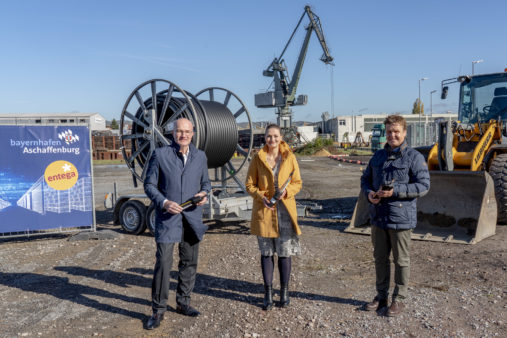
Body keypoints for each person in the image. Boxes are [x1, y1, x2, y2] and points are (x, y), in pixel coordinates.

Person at [143, 118, 211, 330]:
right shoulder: (160, 155)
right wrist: (163, 202)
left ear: (193, 133)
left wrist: (205, 193)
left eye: (187, 132)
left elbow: (206, 183)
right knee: (163, 263)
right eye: (179, 131)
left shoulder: (200, 156)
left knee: (189, 262)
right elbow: (149, 185)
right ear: (173, 133)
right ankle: (158, 310)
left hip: (191, 217)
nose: (183, 135)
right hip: (168, 218)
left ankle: (183, 302)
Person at [360, 114, 430, 316]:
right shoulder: (378, 157)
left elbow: (424, 185)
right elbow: (365, 180)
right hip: (379, 217)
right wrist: (369, 194)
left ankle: (399, 299)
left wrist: (396, 190)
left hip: (401, 218)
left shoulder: (414, 157)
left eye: (396, 131)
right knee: (380, 259)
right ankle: (381, 297)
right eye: (389, 132)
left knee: (401, 261)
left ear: (404, 133)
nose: (392, 135)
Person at [245, 124, 303, 310]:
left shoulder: (290, 157)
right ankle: (268, 292)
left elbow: (297, 183)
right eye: (269, 136)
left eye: (275, 136)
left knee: (284, 253)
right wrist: (261, 197)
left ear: (281, 137)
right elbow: (249, 184)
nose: (272, 140)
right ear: (265, 138)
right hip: (265, 212)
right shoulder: (258, 158)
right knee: (267, 253)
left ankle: (284, 292)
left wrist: (286, 193)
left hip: (285, 212)